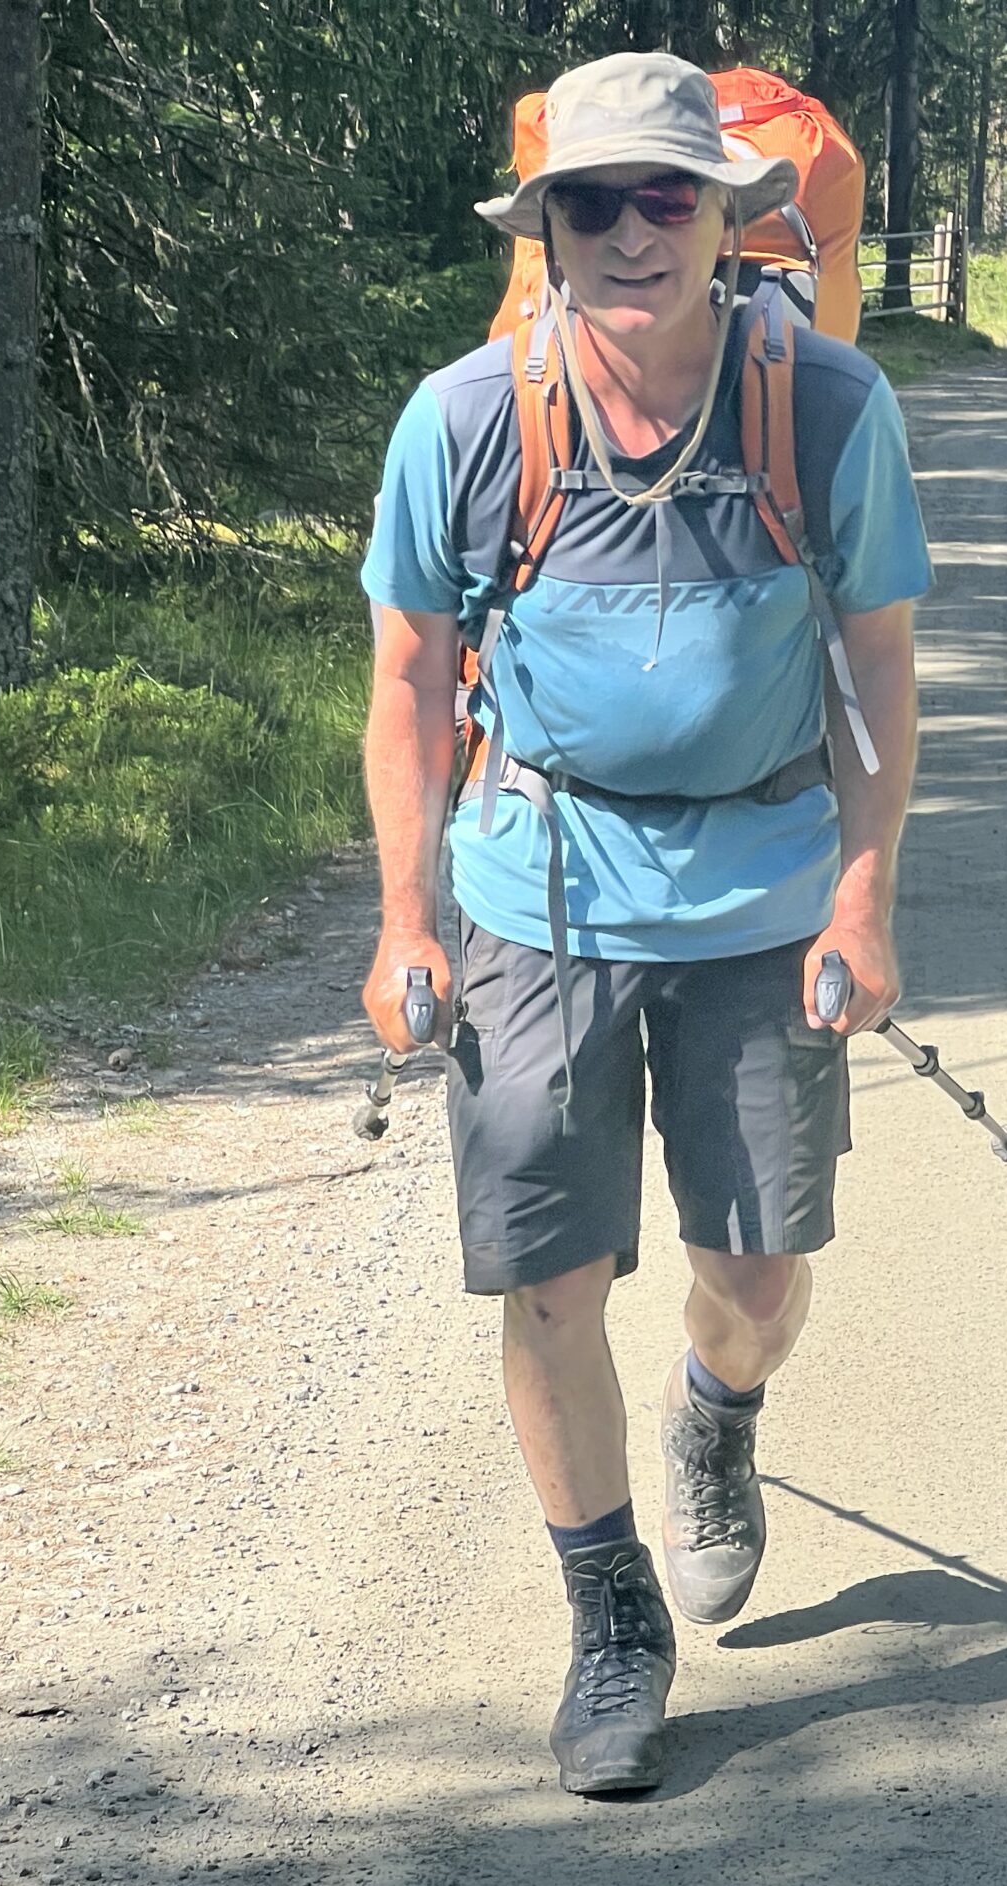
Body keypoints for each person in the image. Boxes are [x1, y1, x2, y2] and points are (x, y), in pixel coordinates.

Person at [357, 49, 931, 1795]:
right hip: (534, 889)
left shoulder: (826, 408)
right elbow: (410, 680)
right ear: (546, 227)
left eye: (663, 195)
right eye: (590, 202)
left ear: (724, 214)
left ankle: (718, 1413)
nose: (628, 232)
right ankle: (611, 1618)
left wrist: (862, 892)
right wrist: (405, 919)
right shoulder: (465, 420)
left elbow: (880, 664)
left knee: (755, 1277)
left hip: (761, 889)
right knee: (550, 1274)